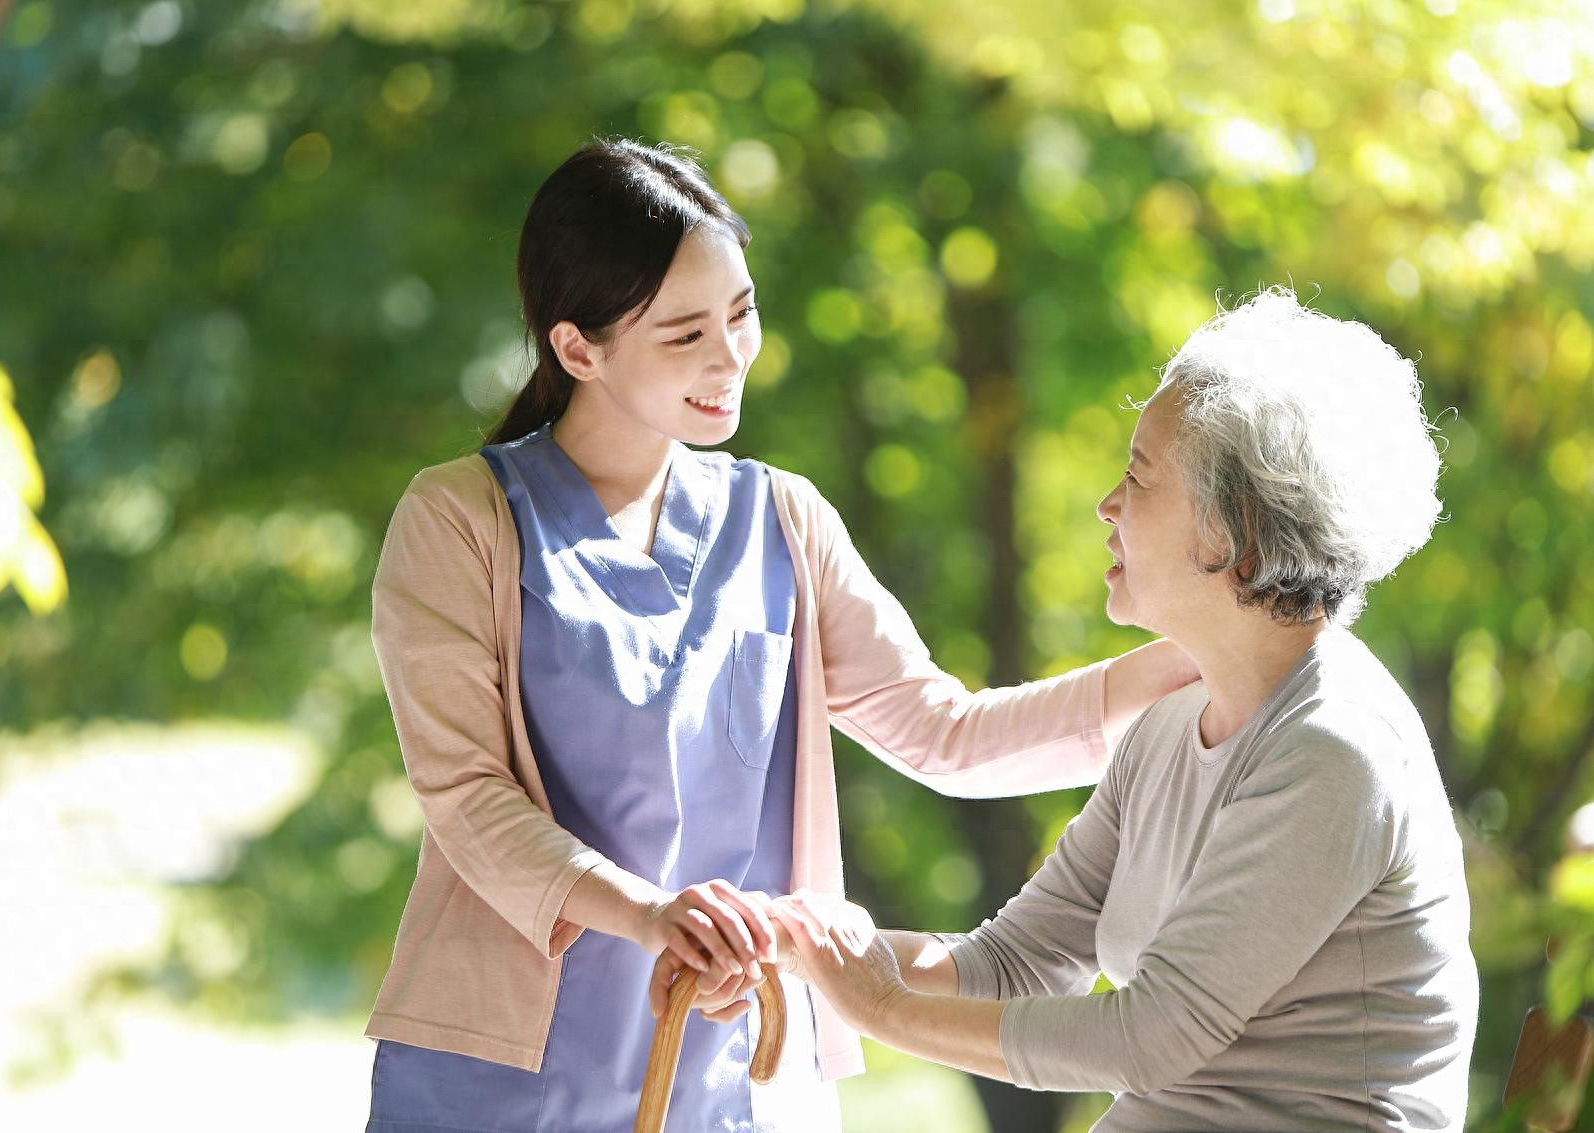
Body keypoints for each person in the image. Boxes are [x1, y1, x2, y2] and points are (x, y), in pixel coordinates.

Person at [361, 137, 1195, 1133]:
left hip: (738, 1073)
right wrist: (649, 913)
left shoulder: (781, 519)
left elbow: (944, 730)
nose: (727, 359)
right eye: (683, 335)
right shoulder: (460, 519)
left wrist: (1202, 650)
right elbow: (467, 798)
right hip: (502, 1080)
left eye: (740, 314)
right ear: (577, 348)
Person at [752, 288, 1480, 1131]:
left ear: (1231, 532)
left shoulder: (1333, 748)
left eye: (1137, 476)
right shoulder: (1172, 724)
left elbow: (1150, 1035)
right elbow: (1019, 959)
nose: (1107, 504)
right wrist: (802, 951)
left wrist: (880, 1005)